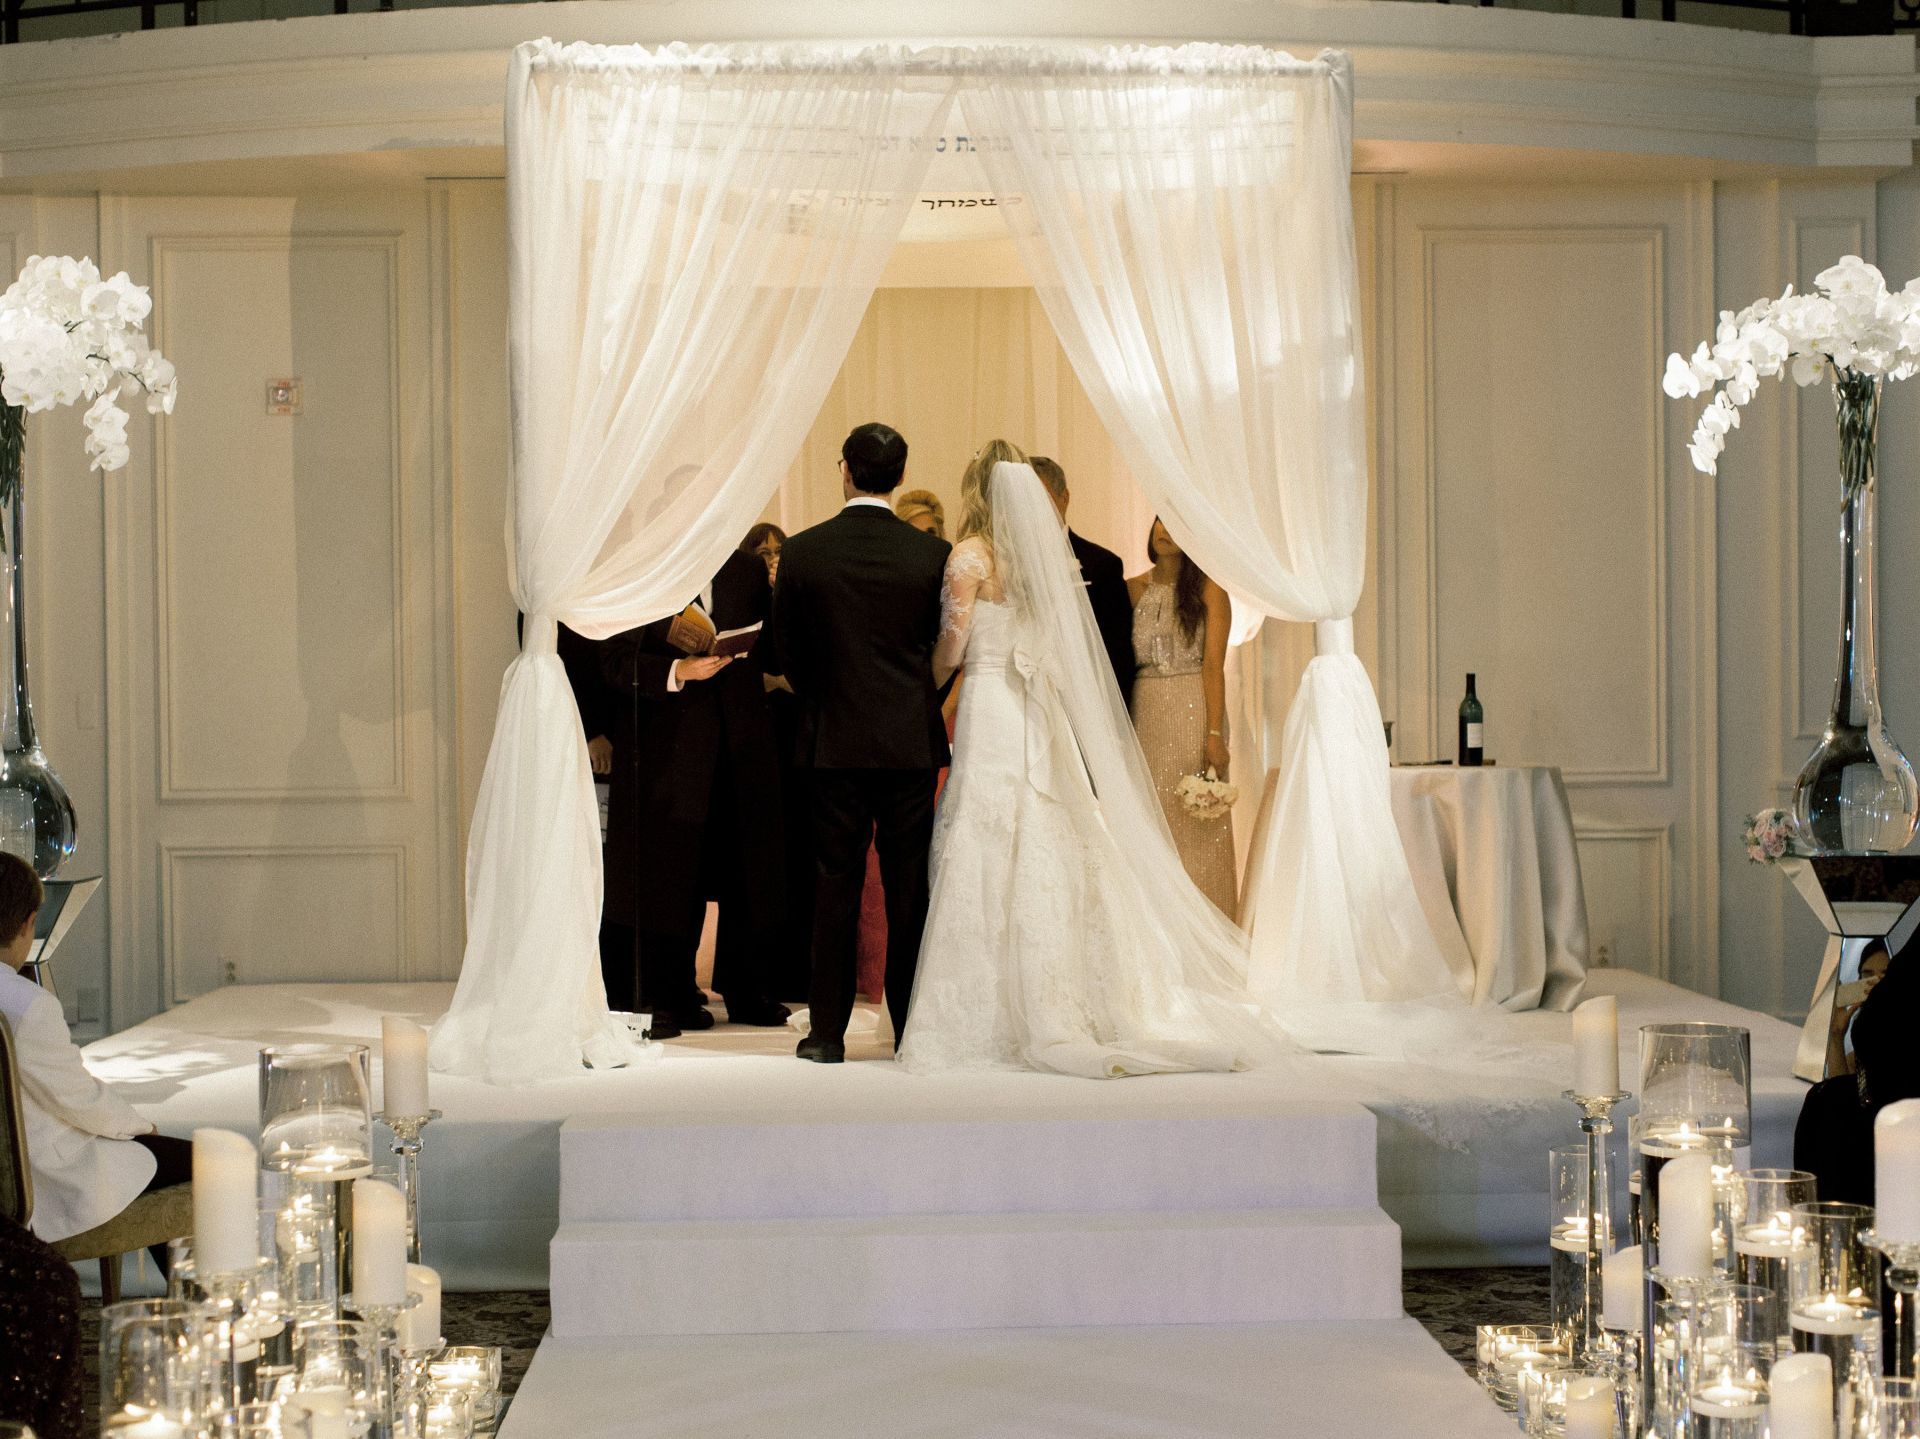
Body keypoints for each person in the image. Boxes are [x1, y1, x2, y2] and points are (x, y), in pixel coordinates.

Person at [895, 453, 1293, 1078]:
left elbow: (952, 644)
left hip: (991, 704)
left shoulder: (970, 555)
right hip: (1033, 707)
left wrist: (924, 681)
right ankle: (1065, 989)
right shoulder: (1040, 559)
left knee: (985, 825)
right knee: (1044, 827)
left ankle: (984, 1005)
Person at [769, 422, 950, 1063]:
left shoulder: (806, 551)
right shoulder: (932, 555)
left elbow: (784, 650)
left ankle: (825, 1035)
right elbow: (943, 647)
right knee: (909, 892)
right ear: (900, 476)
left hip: (832, 742)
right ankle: (913, 1031)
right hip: (908, 743)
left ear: (844, 469)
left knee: (834, 888)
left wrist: (826, 694)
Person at [601, 548, 791, 1037]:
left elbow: (774, 649)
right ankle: (667, 995)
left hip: (740, 742)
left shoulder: (745, 567)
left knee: (743, 869)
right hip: (669, 747)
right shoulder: (646, 566)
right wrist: (678, 672)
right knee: (670, 875)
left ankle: (747, 989)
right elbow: (614, 661)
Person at [0, 852, 189, 1245]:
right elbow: (77, 1098)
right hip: (35, 1182)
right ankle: (193, 1299)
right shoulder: (27, 1005)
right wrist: (139, 1125)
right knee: (203, 1164)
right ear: (28, 924)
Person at [1127, 518, 1238, 917]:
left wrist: (1213, 733)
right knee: (1152, 821)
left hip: (1194, 707)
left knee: (1197, 822)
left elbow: (1213, 666)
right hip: (1146, 709)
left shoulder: (1210, 590)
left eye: (1176, 521)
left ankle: (1211, 925)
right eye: (1158, 518)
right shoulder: (1132, 589)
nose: (1164, 528)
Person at [1029, 456, 1135, 707]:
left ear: (1064, 498)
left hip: (1086, 700)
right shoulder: (1006, 563)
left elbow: (1117, 651)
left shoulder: (1102, 564)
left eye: (1040, 497)